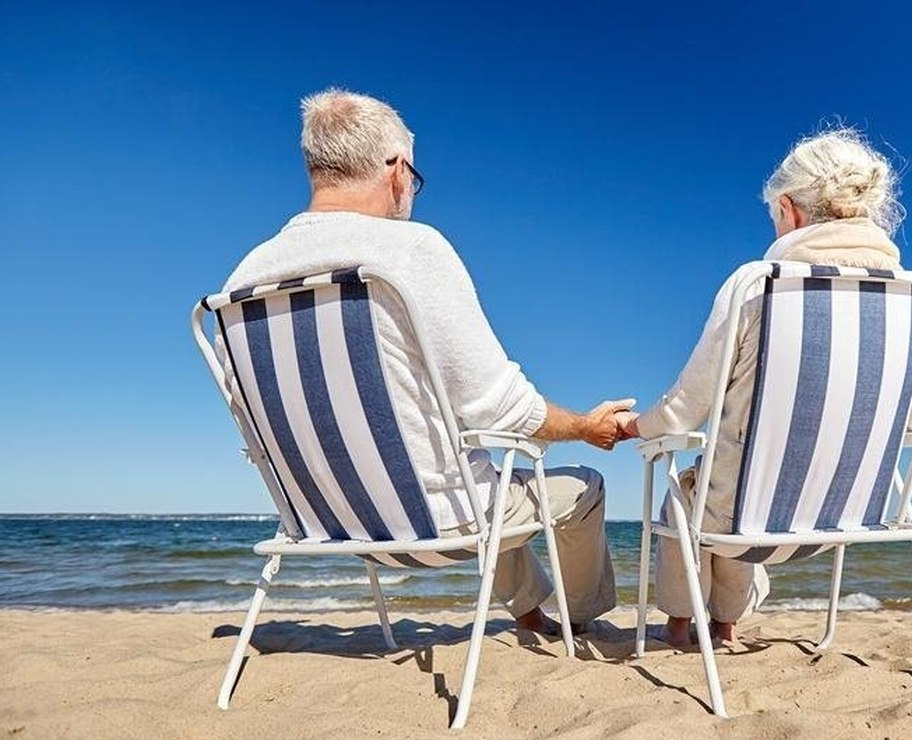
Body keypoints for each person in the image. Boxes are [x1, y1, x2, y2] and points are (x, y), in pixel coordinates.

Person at [222, 88, 623, 632]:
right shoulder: (410, 249)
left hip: (326, 524)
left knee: (468, 459)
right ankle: (583, 622)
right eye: (414, 176)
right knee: (579, 485)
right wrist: (583, 427)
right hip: (434, 524)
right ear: (396, 170)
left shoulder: (244, 278)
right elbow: (500, 407)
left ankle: (530, 614)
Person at [616, 127, 912, 647]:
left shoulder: (759, 284)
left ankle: (679, 623)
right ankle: (726, 624)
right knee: (734, 479)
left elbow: (684, 410)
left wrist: (633, 426)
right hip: (851, 518)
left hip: (748, 517)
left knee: (696, 491)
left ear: (789, 209)